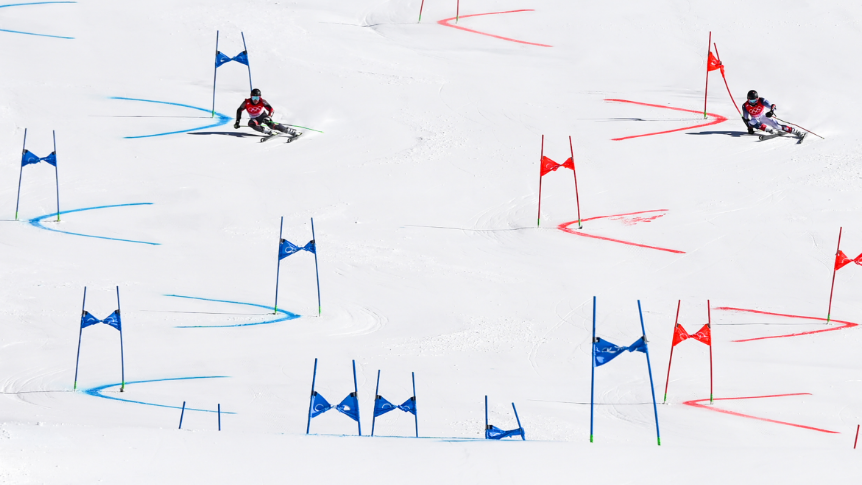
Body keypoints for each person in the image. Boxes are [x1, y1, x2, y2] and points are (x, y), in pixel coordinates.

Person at [233, 88, 297, 137]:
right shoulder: (246, 103)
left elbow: (271, 109)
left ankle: (290, 131)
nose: (255, 100)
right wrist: (237, 122)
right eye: (254, 97)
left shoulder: (262, 101)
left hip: (262, 115)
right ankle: (268, 132)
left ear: (260, 97)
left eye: (257, 97)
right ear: (251, 97)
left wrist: (268, 117)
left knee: (272, 126)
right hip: (254, 118)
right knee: (251, 123)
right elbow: (239, 111)